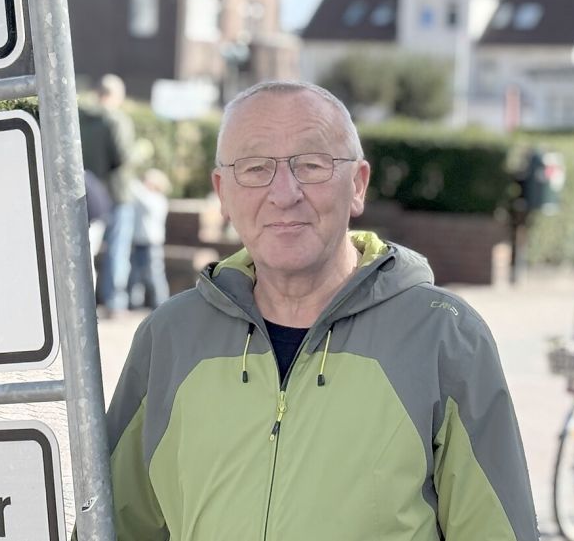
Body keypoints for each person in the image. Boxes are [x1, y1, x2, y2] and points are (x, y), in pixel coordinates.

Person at [102, 81, 538, 540]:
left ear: (358, 185)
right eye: (254, 168)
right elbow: (116, 528)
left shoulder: (444, 336)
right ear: (223, 193)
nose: (284, 193)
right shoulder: (170, 336)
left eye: (311, 165)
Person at [79, 73, 136, 317]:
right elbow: (123, 155)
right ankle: (114, 302)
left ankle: (87, 301)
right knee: (118, 249)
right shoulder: (116, 120)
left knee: (86, 249)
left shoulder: (80, 119)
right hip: (117, 192)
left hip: (90, 192)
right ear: (115, 95)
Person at [127, 168, 171, 309]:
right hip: (139, 243)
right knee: (135, 276)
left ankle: (161, 302)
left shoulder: (157, 200)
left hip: (152, 244)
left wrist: (129, 178)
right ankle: (135, 303)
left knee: (155, 275)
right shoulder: (145, 199)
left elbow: (140, 195)